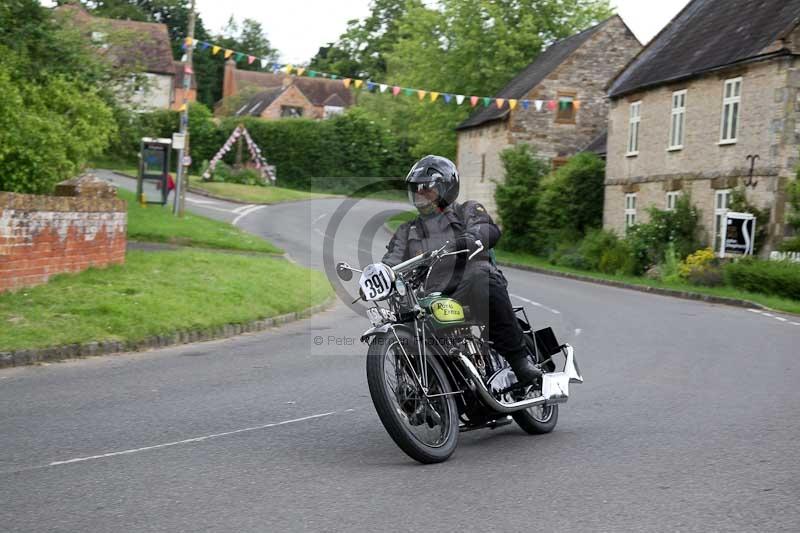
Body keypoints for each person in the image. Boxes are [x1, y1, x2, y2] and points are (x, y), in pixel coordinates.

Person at [381, 155, 541, 385]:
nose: (419, 194)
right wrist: (380, 272)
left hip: (470, 286)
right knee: (401, 320)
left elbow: (486, 228)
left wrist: (470, 239)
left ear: (446, 188)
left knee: (481, 275)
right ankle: (422, 387)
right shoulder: (407, 231)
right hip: (433, 298)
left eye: (426, 188)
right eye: (415, 189)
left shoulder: (467, 210)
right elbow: (391, 260)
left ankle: (520, 362)